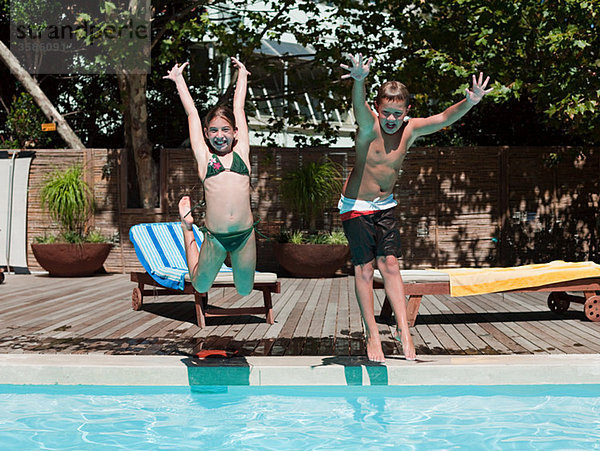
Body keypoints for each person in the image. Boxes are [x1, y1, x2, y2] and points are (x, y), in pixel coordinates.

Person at [339, 53, 492, 362]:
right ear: (377, 110)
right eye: (386, 113)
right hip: (356, 206)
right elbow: (358, 107)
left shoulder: (410, 130)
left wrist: (471, 102)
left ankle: (404, 330)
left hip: (384, 205)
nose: (392, 119)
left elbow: (444, 118)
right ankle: (372, 334)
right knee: (366, 269)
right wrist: (359, 81)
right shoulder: (369, 127)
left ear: (406, 111)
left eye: (397, 113)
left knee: (392, 265)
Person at [164, 57, 256, 296]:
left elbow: (239, 108)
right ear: (206, 134)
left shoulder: (242, 153)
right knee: (200, 285)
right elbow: (192, 114)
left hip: (245, 235)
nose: (220, 135)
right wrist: (178, 81)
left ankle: (232, 263)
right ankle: (187, 228)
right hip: (215, 237)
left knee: (245, 290)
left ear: (235, 133)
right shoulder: (206, 160)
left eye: (225, 130)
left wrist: (243, 76)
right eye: (213, 130)